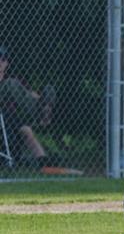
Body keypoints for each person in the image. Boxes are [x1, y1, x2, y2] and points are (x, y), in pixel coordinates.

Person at [0, 46, 78, 175]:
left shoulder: (16, 81)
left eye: (2, 59)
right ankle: (40, 115)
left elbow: (29, 94)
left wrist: (42, 101)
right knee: (10, 84)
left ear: (6, 63)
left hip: (11, 117)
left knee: (25, 129)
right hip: (4, 113)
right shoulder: (10, 83)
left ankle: (43, 161)